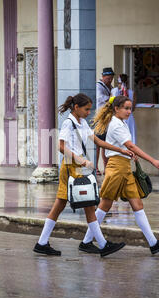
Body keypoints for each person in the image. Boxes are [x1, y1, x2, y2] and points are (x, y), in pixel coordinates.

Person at [33, 93, 135, 257]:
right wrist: (81, 160)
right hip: (70, 166)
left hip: (78, 167)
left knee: (66, 204)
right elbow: (61, 147)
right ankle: (102, 244)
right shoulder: (69, 123)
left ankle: (42, 243)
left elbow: (98, 141)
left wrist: (121, 150)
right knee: (86, 203)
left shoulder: (81, 123)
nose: (89, 112)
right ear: (76, 108)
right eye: (86, 109)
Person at [81, 95, 159, 255]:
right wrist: (153, 160)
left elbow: (122, 147)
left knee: (137, 204)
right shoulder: (116, 125)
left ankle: (153, 243)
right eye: (126, 108)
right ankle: (86, 241)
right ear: (116, 109)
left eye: (130, 108)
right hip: (117, 168)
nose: (129, 111)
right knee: (105, 205)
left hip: (124, 167)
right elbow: (130, 145)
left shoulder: (120, 123)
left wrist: (129, 155)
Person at [95, 67, 115, 174]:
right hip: (100, 118)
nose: (110, 80)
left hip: (108, 119)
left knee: (105, 144)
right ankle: (96, 167)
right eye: (108, 78)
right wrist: (112, 98)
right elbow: (101, 99)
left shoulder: (110, 87)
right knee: (98, 144)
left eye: (111, 78)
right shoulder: (99, 86)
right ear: (103, 77)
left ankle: (106, 166)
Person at [112, 74, 137, 144]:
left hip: (117, 117)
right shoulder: (132, 93)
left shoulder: (114, 91)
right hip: (129, 117)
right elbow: (133, 108)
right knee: (130, 136)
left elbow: (111, 104)